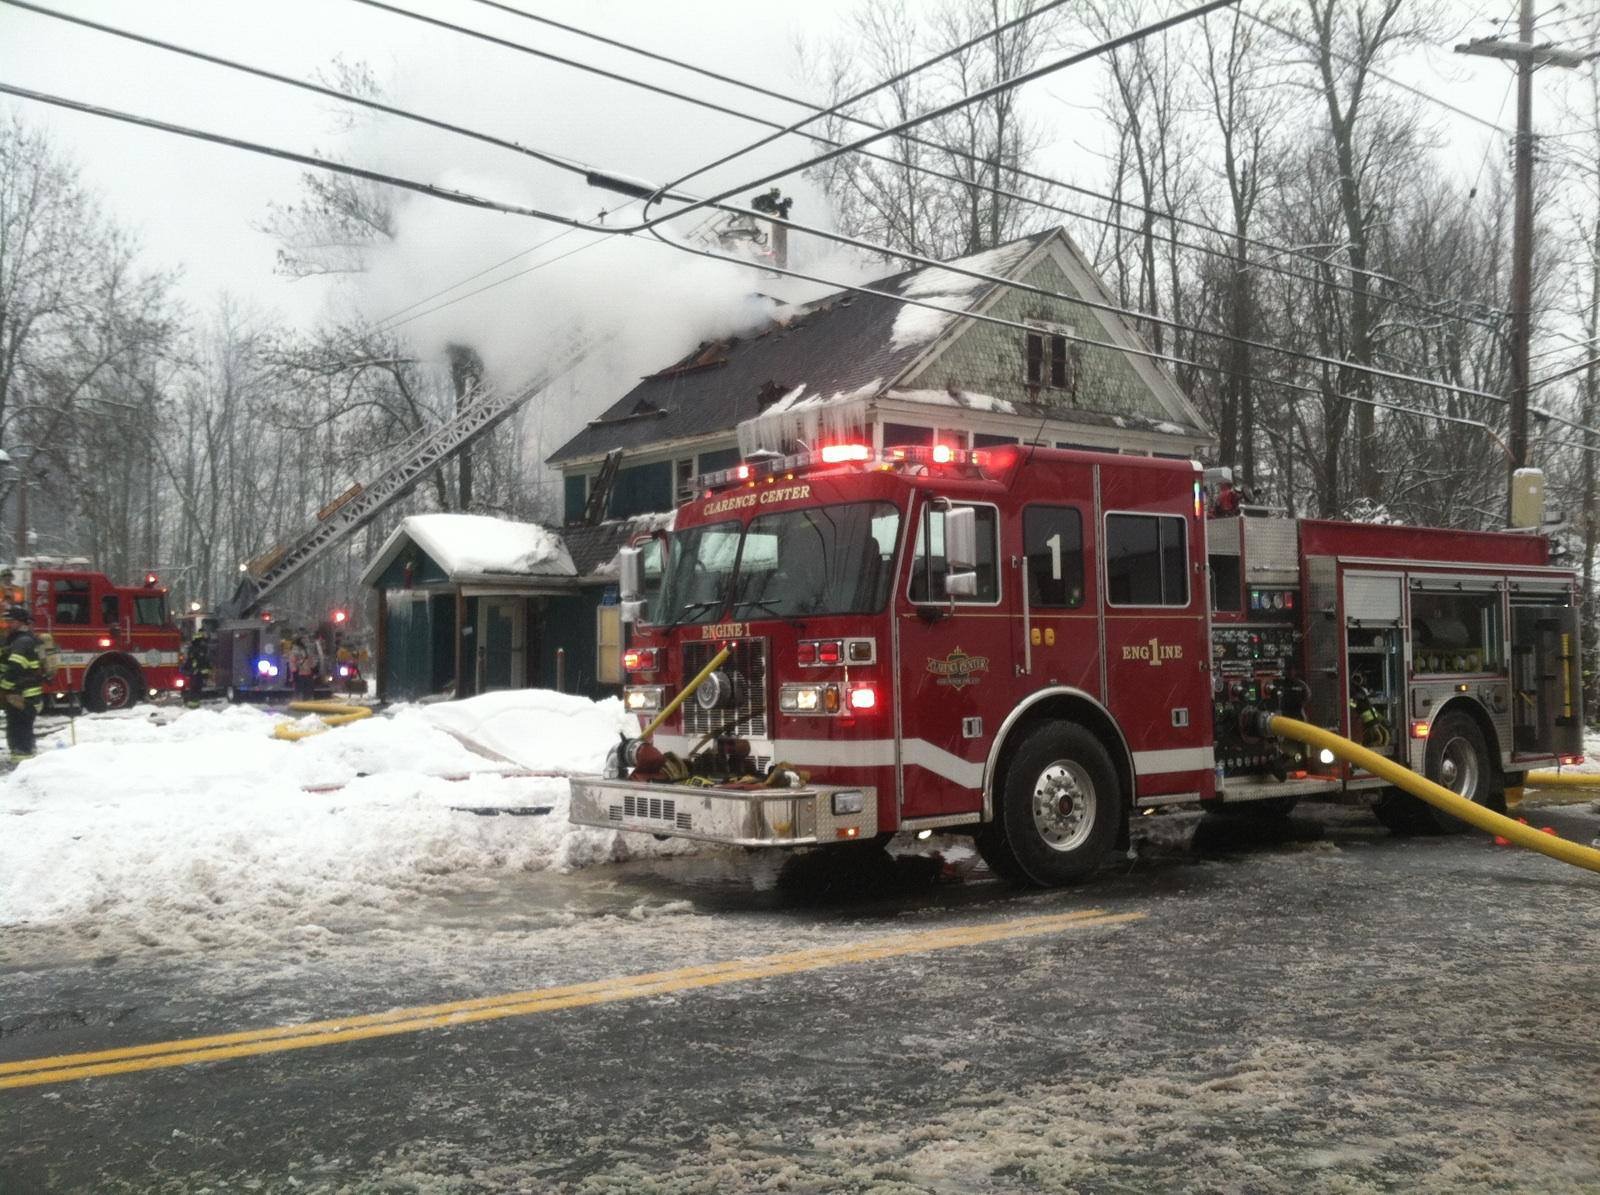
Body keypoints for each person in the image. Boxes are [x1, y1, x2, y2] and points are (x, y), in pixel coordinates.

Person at [1, 604, 44, 761]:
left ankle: (22, 762)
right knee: (22, 728)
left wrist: (3, 687)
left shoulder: (22, 641)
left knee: (17, 730)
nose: (7, 625)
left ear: (21, 622)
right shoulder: (19, 640)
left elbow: (15, 668)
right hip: (23, 694)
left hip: (22, 695)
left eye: (11, 621)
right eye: (6, 621)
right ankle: (26, 758)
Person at [290, 635, 318, 700]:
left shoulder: (307, 650)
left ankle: (308, 700)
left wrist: (314, 668)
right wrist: (294, 671)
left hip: (308, 673)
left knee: (309, 689)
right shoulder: (295, 650)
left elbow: (311, 659)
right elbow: (292, 661)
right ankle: (299, 700)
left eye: (306, 640)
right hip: (300, 673)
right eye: (303, 640)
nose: (305, 641)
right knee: (299, 689)